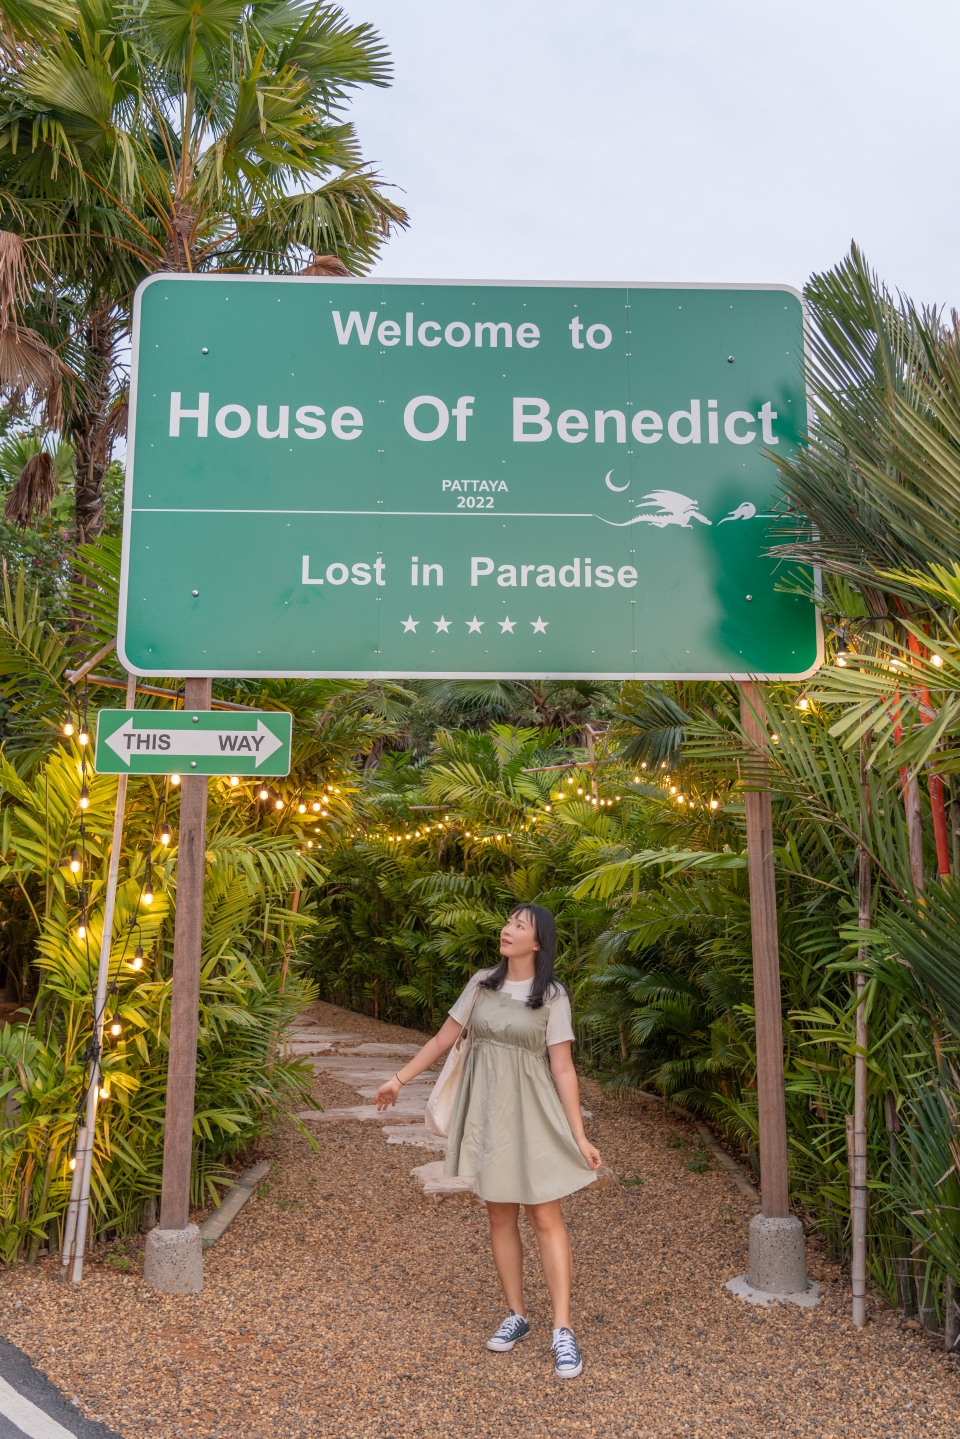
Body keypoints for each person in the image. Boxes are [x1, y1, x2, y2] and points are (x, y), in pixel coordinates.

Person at [375, 903, 602, 1379]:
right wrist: (399, 1079)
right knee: (499, 1210)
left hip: (534, 1113)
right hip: (489, 1115)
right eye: (509, 922)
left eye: (520, 926)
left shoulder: (552, 995)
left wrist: (578, 1135)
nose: (508, 929)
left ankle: (563, 1329)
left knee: (544, 1213)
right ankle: (517, 1315)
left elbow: (562, 1067)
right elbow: (442, 1040)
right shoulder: (482, 983)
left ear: (538, 943)